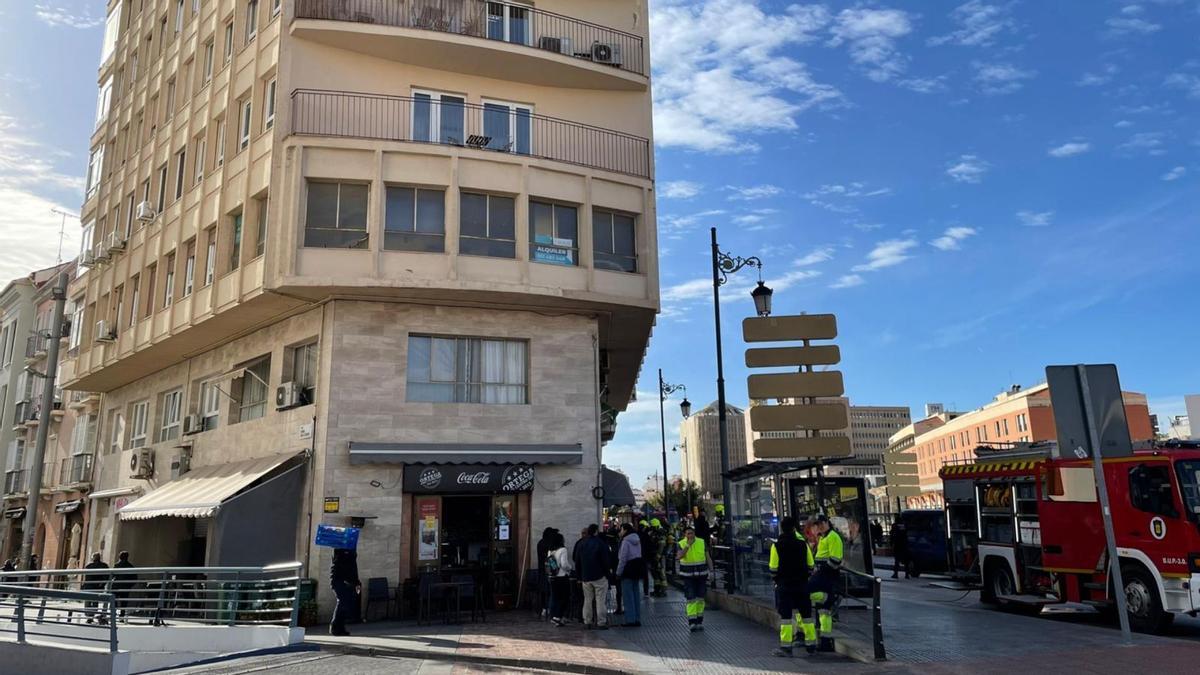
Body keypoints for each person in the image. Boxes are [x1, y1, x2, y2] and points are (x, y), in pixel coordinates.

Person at [769, 517, 815, 657]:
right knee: (806, 615)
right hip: (801, 584)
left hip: (785, 585)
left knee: (786, 617)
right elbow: (811, 565)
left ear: (782, 529)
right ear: (794, 528)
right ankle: (811, 644)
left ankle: (786, 647)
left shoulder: (776, 546)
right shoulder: (803, 544)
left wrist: (777, 579)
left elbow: (773, 568)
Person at [806, 514, 845, 649]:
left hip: (827, 576)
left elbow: (835, 560)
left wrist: (820, 571)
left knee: (804, 592)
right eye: (818, 524)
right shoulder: (823, 537)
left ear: (827, 522)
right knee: (824, 610)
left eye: (822, 523)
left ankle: (826, 597)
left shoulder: (833, 537)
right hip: (823, 575)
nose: (820, 526)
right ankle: (825, 641)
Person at [676, 525, 712, 632]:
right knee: (691, 598)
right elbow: (679, 556)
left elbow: (708, 557)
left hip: (702, 574)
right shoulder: (681, 543)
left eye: (692, 533)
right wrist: (687, 545)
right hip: (688, 575)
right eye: (688, 533)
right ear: (684, 535)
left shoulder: (701, 542)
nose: (690, 535)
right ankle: (692, 622)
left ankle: (699, 620)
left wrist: (712, 570)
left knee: (701, 597)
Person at [577, 524, 611, 629]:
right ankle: (601, 622)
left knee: (587, 600)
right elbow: (606, 560)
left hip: (586, 577)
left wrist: (580, 576)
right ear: (596, 531)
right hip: (599, 576)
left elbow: (577, 561)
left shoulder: (582, 544)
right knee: (600, 600)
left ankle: (587, 621)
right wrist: (607, 574)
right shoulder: (601, 543)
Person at [615, 523, 644, 627]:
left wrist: (618, 572)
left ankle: (630, 620)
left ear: (625, 530)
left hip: (627, 569)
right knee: (636, 594)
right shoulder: (637, 539)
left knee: (627, 596)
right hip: (637, 568)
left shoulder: (625, 541)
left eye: (621, 529)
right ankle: (637, 618)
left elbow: (622, 558)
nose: (620, 532)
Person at [329, 548, 361, 636]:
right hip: (338, 580)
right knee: (342, 601)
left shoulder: (351, 551)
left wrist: (356, 582)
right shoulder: (339, 550)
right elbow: (340, 565)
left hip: (347, 581)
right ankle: (335, 626)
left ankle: (340, 627)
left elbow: (354, 567)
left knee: (346, 603)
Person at [547, 531, 573, 626]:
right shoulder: (563, 550)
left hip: (552, 577)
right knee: (564, 598)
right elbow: (564, 564)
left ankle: (554, 616)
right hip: (561, 577)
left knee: (555, 597)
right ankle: (558, 617)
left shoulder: (550, 551)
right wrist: (570, 568)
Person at [536, 527, 559, 618]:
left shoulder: (540, 543)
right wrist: (555, 568)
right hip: (548, 571)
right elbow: (550, 559)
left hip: (542, 570)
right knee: (549, 591)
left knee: (544, 591)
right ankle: (548, 608)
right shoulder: (548, 544)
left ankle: (544, 608)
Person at [83, 552, 110, 624]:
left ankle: (89, 617)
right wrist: (102, 584)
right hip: (98, 587)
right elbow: (107, 577)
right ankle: (92, 616)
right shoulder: (104, 566)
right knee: (95, 602)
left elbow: (86, 578)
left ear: (93, 558)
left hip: (89, 587)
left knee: (88, 602)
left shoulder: (89, 566)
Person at [113, 551, 135, 619]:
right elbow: (134, 578)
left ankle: (114, 613)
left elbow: (112, 575)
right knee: (124, 602)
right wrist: (129, 585)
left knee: (114, 600)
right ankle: (122, 615)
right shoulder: (130, 566)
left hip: (116, 586)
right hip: (126, 587)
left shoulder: (116, 565)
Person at [648, 518, 667, 597]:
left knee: (661, 573)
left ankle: (663, 591)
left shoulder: (661, 533)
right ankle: (657, 590)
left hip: (660, 557)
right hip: (654, 556)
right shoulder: (654, 533)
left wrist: (657, 557)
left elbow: (661, 546)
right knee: (655, 574)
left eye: (652, 526)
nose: (651, 528)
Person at [636, 521, 654, 597]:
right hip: (644, 558)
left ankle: (636, 591)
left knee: (636, 575)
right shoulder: (646, 535)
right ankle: (646, 592)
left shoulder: (635, 535)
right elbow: (650, 547)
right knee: (645, 576)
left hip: (636, 558)